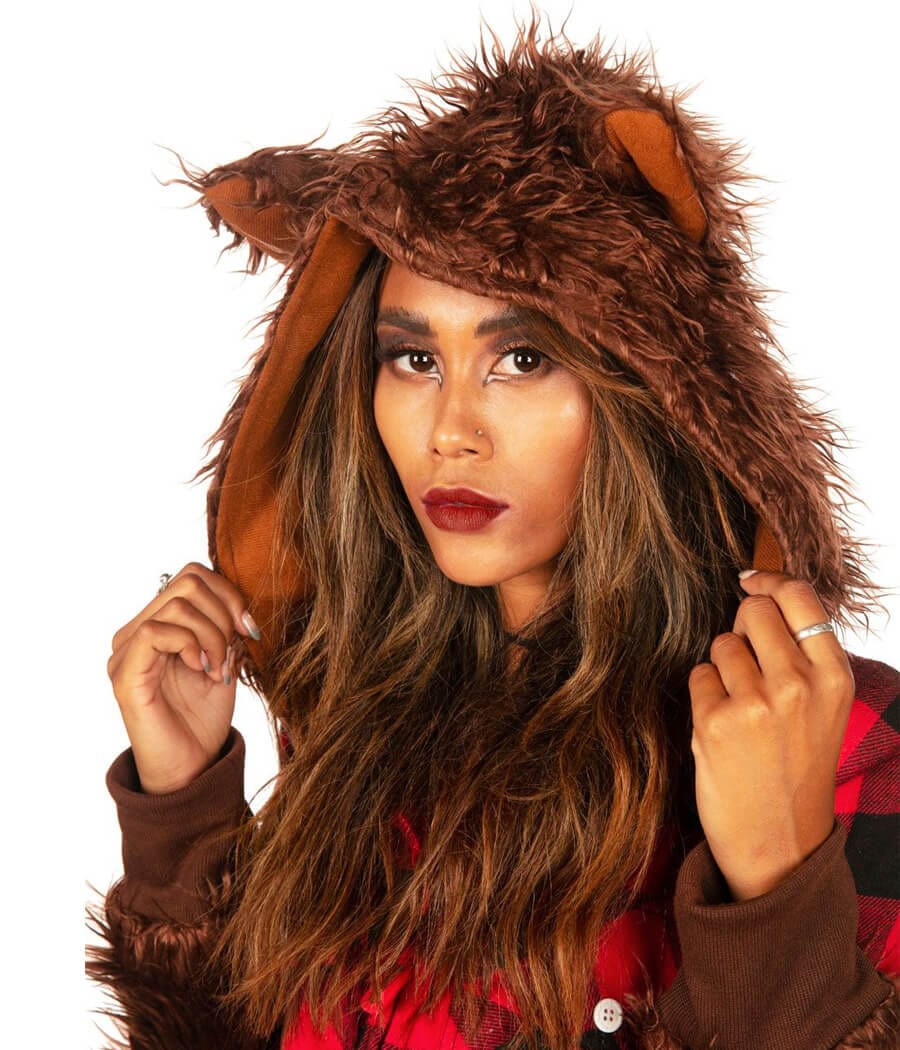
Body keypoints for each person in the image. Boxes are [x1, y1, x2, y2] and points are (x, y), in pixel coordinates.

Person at [85, 14, 900, 1050]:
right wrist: (182, 815)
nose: (450, 431)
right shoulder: (355, 713)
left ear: (652, 395)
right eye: (413, 360)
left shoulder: (834, 743)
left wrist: (776, 889)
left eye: (521, 360)